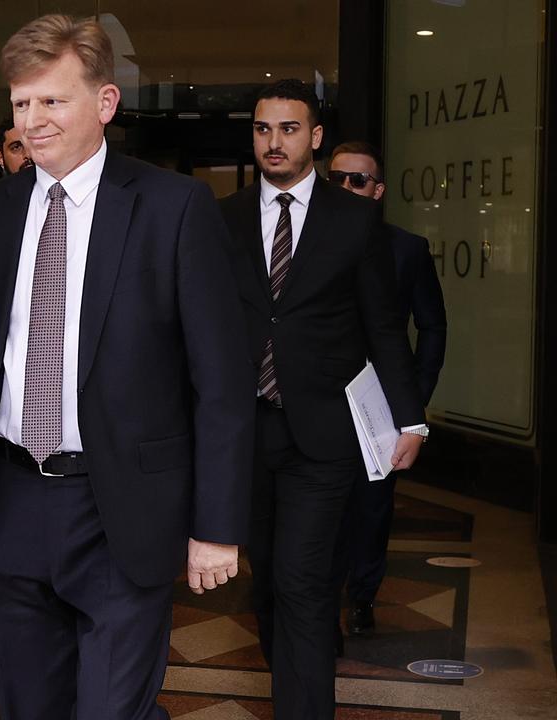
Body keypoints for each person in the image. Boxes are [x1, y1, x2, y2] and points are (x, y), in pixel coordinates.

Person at [0, 15, 253, 719]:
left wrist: (217, 525)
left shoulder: (173, 208)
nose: (33, 120)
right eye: (21, 103)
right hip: (11, 501)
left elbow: (221, 384)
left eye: (53, 100)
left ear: (104, 104)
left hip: (123, 509)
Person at [217, 79, 428, 718]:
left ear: (315, 138)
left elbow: (384, 328)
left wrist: (409, 420)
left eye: (287, 129)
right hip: (244, 433)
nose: (273, 142)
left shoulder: (354, 221)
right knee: (268, 589)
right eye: (262, 129)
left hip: (323, 436)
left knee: (306, 585)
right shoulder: (219, 219)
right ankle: (295, 687)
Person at [327, 141, 447, 637]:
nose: (346, 188)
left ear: (376, 191)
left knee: (372, 511)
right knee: (318, 512)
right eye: (337, 178)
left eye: (358, 180)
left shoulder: (406, 249)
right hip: (317, 406)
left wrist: (412, 400)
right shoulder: (301, 242)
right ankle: (317, 614)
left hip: (379, 408)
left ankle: (361, 598)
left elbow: (433, 326)